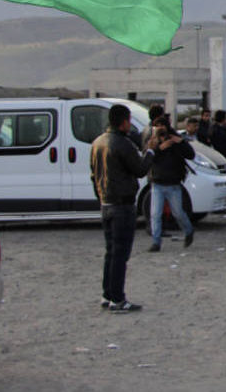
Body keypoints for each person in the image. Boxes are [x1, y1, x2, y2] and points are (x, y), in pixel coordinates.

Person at [91, 104, 152, 313]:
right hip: (122, 205)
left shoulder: (98, 142)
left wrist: (100, 197)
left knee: (111, 252)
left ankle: (107, 294)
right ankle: (118, 299)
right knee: (120, 254)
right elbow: (140, 169)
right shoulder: (122, 144)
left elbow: (93, 174)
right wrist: (150, 150)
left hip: (106, 204)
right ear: (124, 121)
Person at [145, 116, 195, 252]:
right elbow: (147, 158)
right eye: (158, 126)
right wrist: (160, 148)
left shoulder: (175, 139)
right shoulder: (152, 141)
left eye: (163, 126)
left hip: (173, 183)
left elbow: (191, 155)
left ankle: (189, 231)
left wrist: (181, 143)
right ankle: (156, 242)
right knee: (155, 214)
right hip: (157, 183)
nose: (160, 129)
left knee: (178, 213)